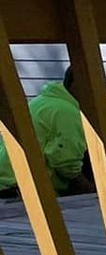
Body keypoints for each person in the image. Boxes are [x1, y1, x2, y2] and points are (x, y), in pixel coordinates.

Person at [0, 67, 89, 195]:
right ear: (77, 86)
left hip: (6, 178)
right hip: (18, 186)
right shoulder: (67, 112)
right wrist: (91, 189)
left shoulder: (45, 101)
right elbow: (66, 162)